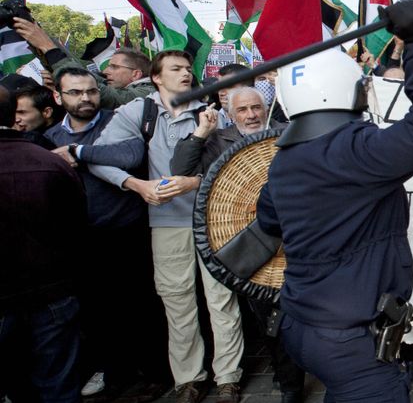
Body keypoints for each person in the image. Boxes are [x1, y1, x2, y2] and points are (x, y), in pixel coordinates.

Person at [255, 1, 413, 403]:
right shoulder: (354, 151)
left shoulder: (284, 162)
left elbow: (270, 222)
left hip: (300, 326)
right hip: (349, 340)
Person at [89, 51, 245, 403]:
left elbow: (231, 166)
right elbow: (99, 157)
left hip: (212, 219)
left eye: (189, 69)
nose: (186, 74)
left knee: (221, 301)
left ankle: (228, 378)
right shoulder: (139, 112)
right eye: (176, 69)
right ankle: (189, 378)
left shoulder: (209, 113)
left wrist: (197, 182)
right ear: (156, 77)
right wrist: (135, 185)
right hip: (166, 222)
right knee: (178, 302)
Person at [45, 67, 171, 402]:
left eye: (91, 91)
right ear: (58, 97)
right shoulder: (50, 137)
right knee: (99, 314)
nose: (85, 98)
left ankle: (157, 374)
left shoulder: (118, 122)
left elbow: (129, 156)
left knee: (142, 308)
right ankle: (117, 374)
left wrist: (78, 154)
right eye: (75, 92)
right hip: (82, 239)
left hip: (126, 232)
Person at [169, 87, 299, 403]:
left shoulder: (286, 134)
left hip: (295, 240)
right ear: (231, 113)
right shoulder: (216, 140)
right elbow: (180, 170)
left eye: (256, 107)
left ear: (266, 108)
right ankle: (289, 384)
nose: (251, 115)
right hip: (247, 247)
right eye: (243, 110)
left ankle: (309, 378)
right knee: (270, 319)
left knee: (303, 313)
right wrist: (201, 131)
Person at [0, 83, 87, 403]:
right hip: (54, 293)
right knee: (58, 388)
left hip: (49, 295)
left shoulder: (51, 161)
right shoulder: (51, 161)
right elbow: (78, 226)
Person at [14, 16, 154, 109]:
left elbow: (100, 92)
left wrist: (48, 47)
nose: (105, 71)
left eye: (114, 67)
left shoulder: (148, 93)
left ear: (136, 74)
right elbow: (82, 71)